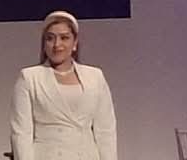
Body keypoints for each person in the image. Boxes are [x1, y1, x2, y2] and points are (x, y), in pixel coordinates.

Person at [9, 10, 116, 160]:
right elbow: (21, 133)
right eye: (50, 38)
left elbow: (106, 131)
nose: (57, 44)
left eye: (64, 38)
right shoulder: (29, 77)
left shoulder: (95, 77)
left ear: (75, 43)